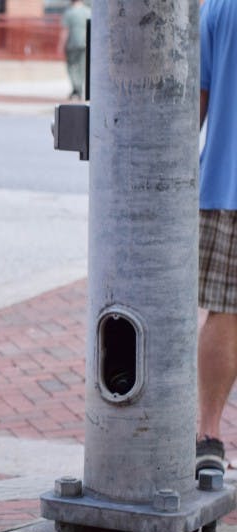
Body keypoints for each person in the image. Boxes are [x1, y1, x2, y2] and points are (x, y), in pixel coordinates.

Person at [196, 0, 236, 477]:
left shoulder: (217, 6)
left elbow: (194, 108)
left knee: (225, 311)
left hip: (225, 184)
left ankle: (208, 437)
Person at [59, 0, 90, 100]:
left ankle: (76, 88)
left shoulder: (69, 12)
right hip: (85, 43)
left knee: (72, 66)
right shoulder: (88, 11)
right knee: (82, 67)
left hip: (72, 44)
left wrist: (60, 46)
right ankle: (79, 88)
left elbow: (65, 31)